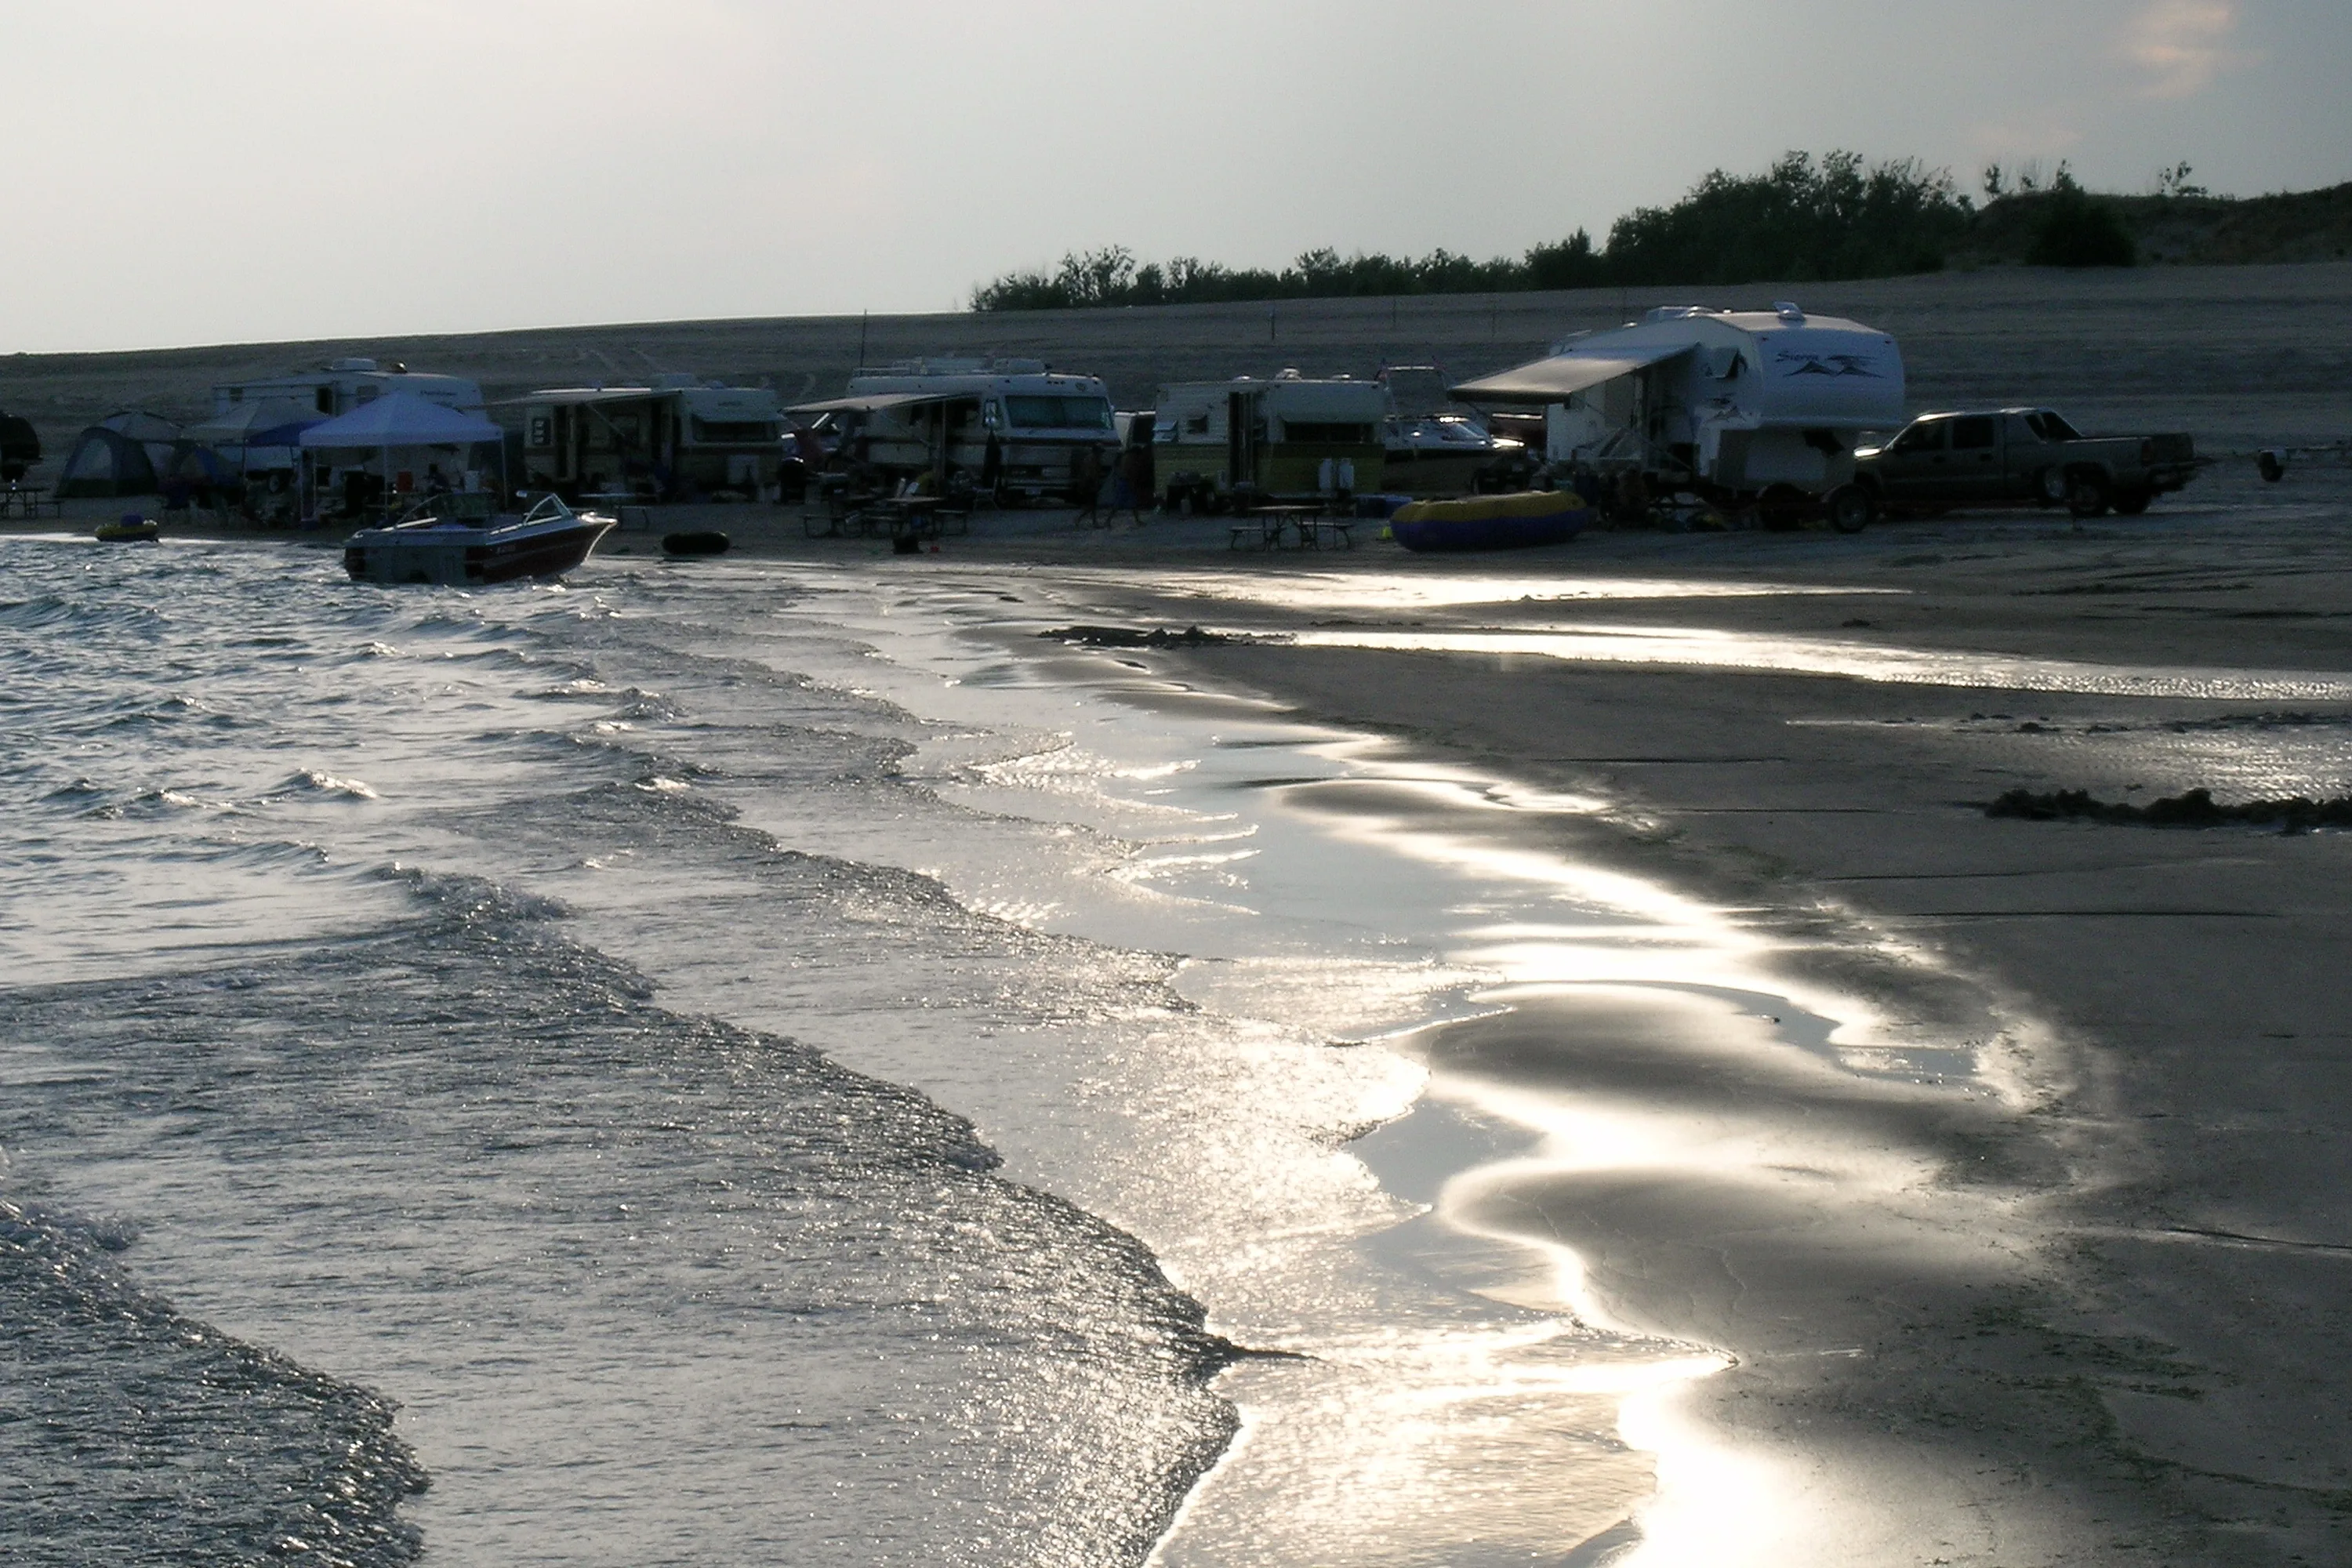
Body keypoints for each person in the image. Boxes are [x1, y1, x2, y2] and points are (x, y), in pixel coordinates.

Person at [1069, 443, 1105, 526]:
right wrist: (1094, 483)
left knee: (1093, 506)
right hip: (1089, 484)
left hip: (1089, 484)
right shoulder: (1092, 460)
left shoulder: (1092, 459)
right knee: (1091, 505)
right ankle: (1080, 518)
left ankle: (1093, 522)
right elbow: (1090, 474)